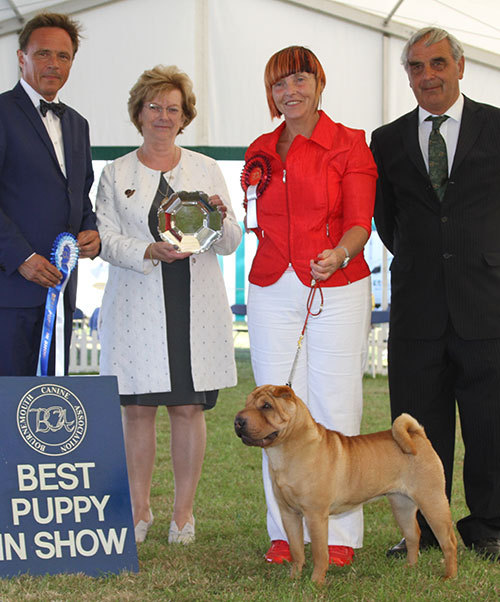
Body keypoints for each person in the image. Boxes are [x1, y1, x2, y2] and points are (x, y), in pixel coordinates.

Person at [242, 46, 377, 566]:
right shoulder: (259, 149)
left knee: (334, 404)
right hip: (271, 287)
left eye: (299, 79)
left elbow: (360, 223)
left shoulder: (350, 144)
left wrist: (339, 252)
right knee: (267, 415)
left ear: (319, 83)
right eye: (279, 84)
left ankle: (338, 536)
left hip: (337, 283)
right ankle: (285, 533)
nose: (289, 91)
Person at [96, 65, 242, 545]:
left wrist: (220, 221)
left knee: (187, 409)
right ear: (139, 113)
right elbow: (105, 239)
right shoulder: (116, 173)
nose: (162, 115)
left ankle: (183, 514)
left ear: (185, 117)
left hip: (191, 306)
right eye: (154, 106)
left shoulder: (205, 167)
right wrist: (145, 250)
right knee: (136, 411)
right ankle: (139, 510)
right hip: (137, 302)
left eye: (172, 108)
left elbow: (230, 244)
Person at [371, 27, 500, 561]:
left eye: (438, 63)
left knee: (491, 423)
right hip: (417, 308)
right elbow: (386, 219)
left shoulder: (496, 126)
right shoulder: (387, 138)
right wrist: (422, 259)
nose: (428, 75)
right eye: (417, 67)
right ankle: (422, 530)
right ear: (408, 75)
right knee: (418, 428)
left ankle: (490, 526)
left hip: (488, 302)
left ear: (461, 66)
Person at [0, 12, 100, 376]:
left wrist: (91, 231)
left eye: (63, 56)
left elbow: (81, 193)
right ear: (21, 57)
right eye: (43, 54)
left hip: (60, 296)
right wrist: (22, 256)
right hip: (8, 291)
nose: (53, 64)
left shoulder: (78, 124)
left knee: (47, 412)